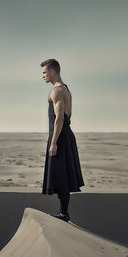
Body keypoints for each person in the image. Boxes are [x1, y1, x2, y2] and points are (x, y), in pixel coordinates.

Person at [41, 58, 84, 221]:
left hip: (60, 137)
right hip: (65, 135)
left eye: (44, 72)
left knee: (60, 176)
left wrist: (53, 142)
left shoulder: (57, 91)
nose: (42, 76)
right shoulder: (66, 89)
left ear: (52, 72)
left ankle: (63, 213)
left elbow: (59, 118)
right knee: (62, 175)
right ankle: (63, 212)